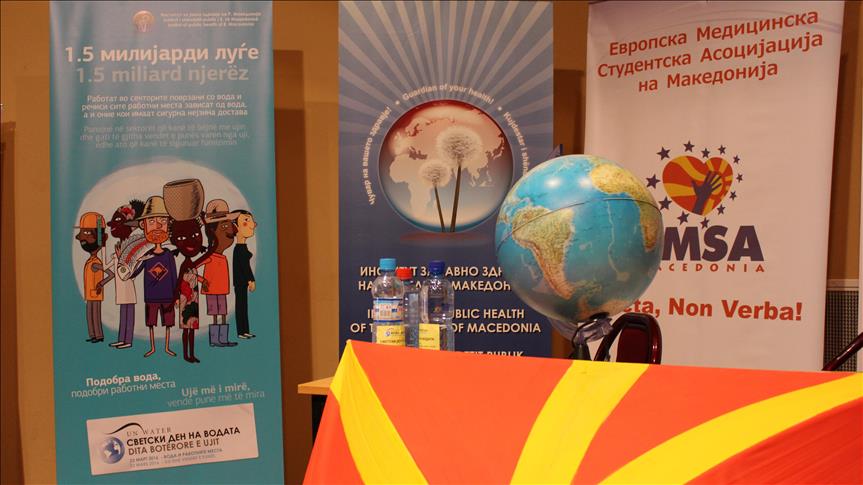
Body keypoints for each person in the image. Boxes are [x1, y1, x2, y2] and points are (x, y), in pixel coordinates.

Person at [126, 196, 178, 358]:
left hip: (168, 296)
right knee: (151, 323)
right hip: (151, 296)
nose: (158, 226)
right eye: (152, 221)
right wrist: (133, 267)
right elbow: (136, 272)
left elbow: (174, 276)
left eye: (163, 221)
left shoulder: (169, 255)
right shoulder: (147, 255)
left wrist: (176, 296)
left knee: (168, 323)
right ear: (143, 225)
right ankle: (153, 347)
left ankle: (167, 347)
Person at [196, 199, 238, 347]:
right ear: (213, 232)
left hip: (222, 291)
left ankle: (223, 339)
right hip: (212, 291)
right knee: (215, 315)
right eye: (225, 226)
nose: (233, 231)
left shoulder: (223, 257)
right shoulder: (209, 257)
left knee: (223, 314)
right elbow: (192, 269)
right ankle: (215, 340)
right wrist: (202, 281)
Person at [105, 199, 146, 349]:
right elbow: (108, 266)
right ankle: (122, 339)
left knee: (128, 313)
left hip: (127, 285)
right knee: (123, 313)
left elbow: (136, 265)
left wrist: (129, 268)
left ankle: (127, 340)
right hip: (120, 287)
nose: (112, 227)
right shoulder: (120, 247)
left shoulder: (132, 248)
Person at [75, 212, 113, 343]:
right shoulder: (91, 261)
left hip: (95, 294)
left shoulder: (96, 263)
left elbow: (111, 274)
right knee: (89, 314)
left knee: (95, 315)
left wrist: (100, 284)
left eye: (86, 233)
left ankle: (98, 335)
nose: (80, 238)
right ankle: (92, 335)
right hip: (89, 295)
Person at [232, 210, 257, 339]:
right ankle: (241, 331)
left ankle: (245, 330)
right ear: (235, 227)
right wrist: (250, 280)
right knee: (241, 307)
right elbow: (245, 267)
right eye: (246, 221)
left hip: (242, 283)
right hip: (240, 282)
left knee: (243, 307)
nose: (253, 225)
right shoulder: (239, 249)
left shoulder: (242, 248)